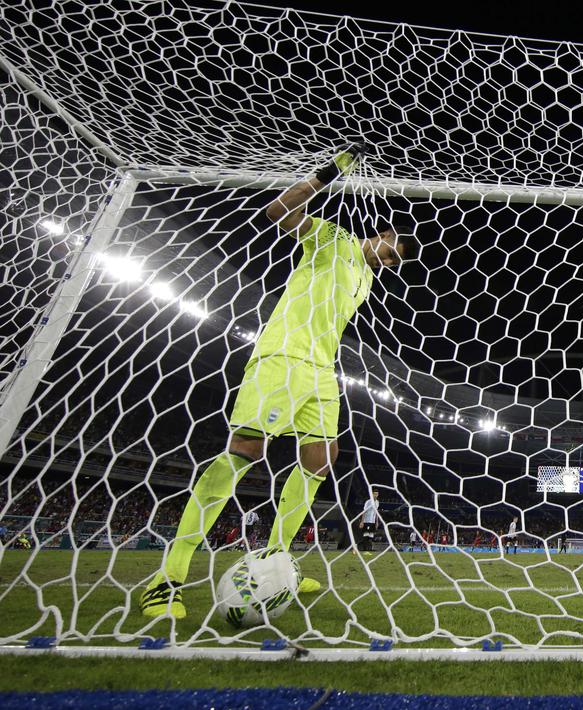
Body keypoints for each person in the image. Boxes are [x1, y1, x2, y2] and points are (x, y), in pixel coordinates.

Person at [141, 143, 409, 619]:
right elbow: (278, 211)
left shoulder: (366, 278)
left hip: (321, 371)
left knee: (323, 458)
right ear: (378, 236)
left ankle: (275, 559)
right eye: (387, 244)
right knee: (247, 450)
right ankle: (169, 578)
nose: (385, 253)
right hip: (282, 358)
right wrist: (330, 173)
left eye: (392, 257)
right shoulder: (334, 239)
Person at [359, 489, 379, 555]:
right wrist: (362, 522)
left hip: (373, 522)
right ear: (372, 494)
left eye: (377, 494)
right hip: (366, 521)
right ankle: (365, 550)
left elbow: (376, 513)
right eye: (375, 494)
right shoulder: (368, 502)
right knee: (366, 535)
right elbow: (364, 512)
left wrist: (377, 522)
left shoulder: (377, 502)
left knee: (371, 536)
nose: (376, 495)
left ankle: (369, 549)